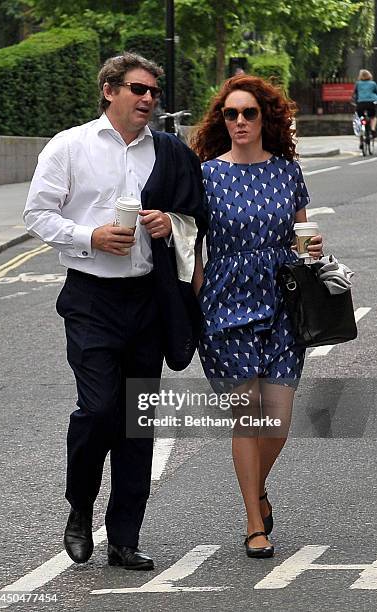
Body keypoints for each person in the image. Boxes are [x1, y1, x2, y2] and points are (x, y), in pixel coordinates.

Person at [24, 53, 205, 569]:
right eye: (137, 89)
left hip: (148, 300)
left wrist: (172, 224)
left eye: (153, 91)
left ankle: (124, 537)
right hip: (91, 298)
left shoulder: (169, 152)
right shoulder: (71, 146)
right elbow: (37, 213)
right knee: (100, 409)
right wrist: (90, 237)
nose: (148, 98)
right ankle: (80, 507)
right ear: (109, 91)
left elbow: (197, 217)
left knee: (136, 422)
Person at [191, 75, 323, 558]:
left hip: (285, 299)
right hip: (226, 304)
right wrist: (199, 298)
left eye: (249, 113)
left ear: (266, 117)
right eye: (231, 114)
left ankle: (258, 488)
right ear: (221, 120)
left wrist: (311, 246)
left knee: (279, 421)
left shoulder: (287, 171)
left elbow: (302, 230)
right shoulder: (206, 174)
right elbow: (192, 246)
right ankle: (254, 521)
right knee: (247, 417)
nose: (240, 121)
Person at [354, 69, 377, 135]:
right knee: (373, 116)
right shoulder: (373, 83)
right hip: (371, 103)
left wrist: (356, 101)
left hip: (361, 103)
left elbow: (355, 93)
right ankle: (372, 129)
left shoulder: (358, 84)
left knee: (361, 116)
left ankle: (363, 125)